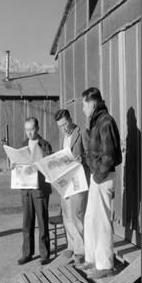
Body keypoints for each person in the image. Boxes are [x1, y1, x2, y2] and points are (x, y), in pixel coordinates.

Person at [78, 87, 122, 279]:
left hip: (103, 178)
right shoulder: (96, 121)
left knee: (102, 220)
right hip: (97, 177)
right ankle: (92, 259)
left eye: (84, 104)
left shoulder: (105, 122)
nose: (82, 109)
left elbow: (110, 155)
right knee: (90, 219)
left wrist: (98, 175)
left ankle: (105, 265)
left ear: (93, 104)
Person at [54, 109, 89, 264]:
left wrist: (83, 158)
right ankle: (71, 246)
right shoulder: (64, 137)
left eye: (65, 125)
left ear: (70, 119)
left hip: (78, 181)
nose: (64, 129)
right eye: (60, 126)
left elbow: (92, 154)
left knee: (77, 215)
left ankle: (82, 250)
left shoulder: (82, 132)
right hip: (65, 182)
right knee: (67, 215)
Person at [16, 117, 53, 265]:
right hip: (26, 189)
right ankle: (27, 253)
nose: (29, 133)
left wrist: (40, 164)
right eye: (26, 130)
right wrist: (14, 165)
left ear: (37, 128)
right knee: (27, 222)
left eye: (31, 129)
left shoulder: (45, 145)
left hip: (40, 188)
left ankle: (44, 254)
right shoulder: (23, 145)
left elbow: (50, 165)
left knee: (42, 221)